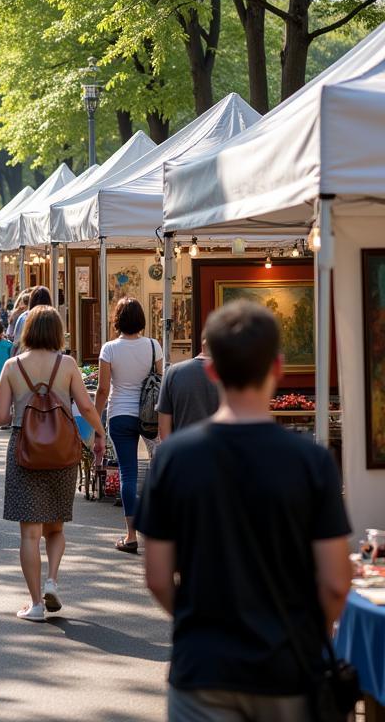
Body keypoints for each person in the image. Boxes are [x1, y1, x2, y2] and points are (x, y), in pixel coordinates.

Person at [136, 303, 351, 722]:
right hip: (287, 668)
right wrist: (306, 634)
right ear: (278, 367)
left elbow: (158, 576)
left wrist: (197, 622)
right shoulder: (312, 460)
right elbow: (336, 583)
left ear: (212, 371)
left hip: (203, 666)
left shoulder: (173, 459)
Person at [0, 306, 106, 621]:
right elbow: (85, 406)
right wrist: (100, 433)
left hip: (24, 450)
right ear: (58, 332)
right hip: (61, 450)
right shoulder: (67, 364)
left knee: (29, 534)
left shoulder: (12, 366)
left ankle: (35, 605)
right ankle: (52, 580)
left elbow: (1, 417)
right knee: (55, 526)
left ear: (27, 330)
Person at [94, 296, 162, 554]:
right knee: (158, 467)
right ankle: (158, 528)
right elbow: (160, 382)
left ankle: (131, 535)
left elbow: (102, 389)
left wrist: (96, 421)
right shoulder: (154, 346)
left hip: (120, 414)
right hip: (150, 415)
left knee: (128, 472)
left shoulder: (109, 349)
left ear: (117, 320)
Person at [157, 338, 220, 439]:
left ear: (202, 345)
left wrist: (170, 451)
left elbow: (164, 425)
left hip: (182, 448)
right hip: (222, 450)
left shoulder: (173, 372)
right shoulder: (234, 376)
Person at [11, 285, 52, 352]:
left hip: (26, 356)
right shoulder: (53, 316)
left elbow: (16, 342)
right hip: (50, 357)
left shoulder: (24, 317)